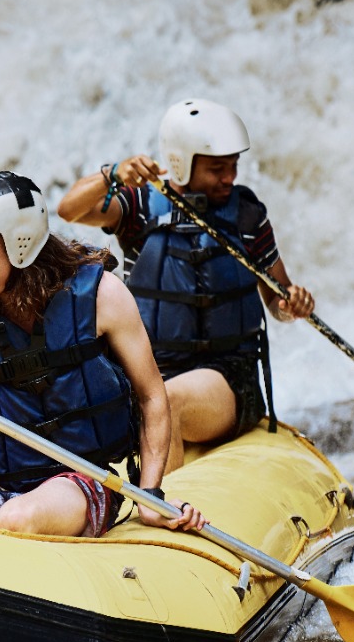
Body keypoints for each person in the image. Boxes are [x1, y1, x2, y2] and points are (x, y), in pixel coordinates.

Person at [0, 149, 205, 537]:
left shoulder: (102, 296)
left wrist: (150, 496)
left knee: (19, 519)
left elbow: (152, 396)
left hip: (81, 479)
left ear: (21, 244)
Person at [58, 99, 316, 469]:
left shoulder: (246, 215)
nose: (229, 177)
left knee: (166, 401)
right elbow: (69, 209)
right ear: (181, 162)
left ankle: (166, 500)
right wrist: (113, 174)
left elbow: (278, 301)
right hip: (148, 372)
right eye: (217, 169)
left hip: (228, 378)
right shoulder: (140, 208)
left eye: (233, 165)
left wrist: (292, 305)